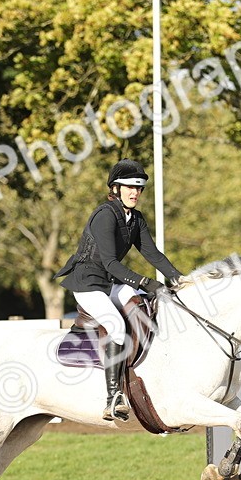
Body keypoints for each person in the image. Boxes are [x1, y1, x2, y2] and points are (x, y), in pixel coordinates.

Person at [55, 158, 184, 422]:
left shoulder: (135, 219)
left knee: (141, 305)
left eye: (138, 188)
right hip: (88, 283)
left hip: (108, 282)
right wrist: (146, 281)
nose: (135, 193)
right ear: (115, 189)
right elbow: (111, 263)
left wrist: (179, 278)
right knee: (115, 324)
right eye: (129, 187)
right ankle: (113, 397)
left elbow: (153, 253)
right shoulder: (105, 215)